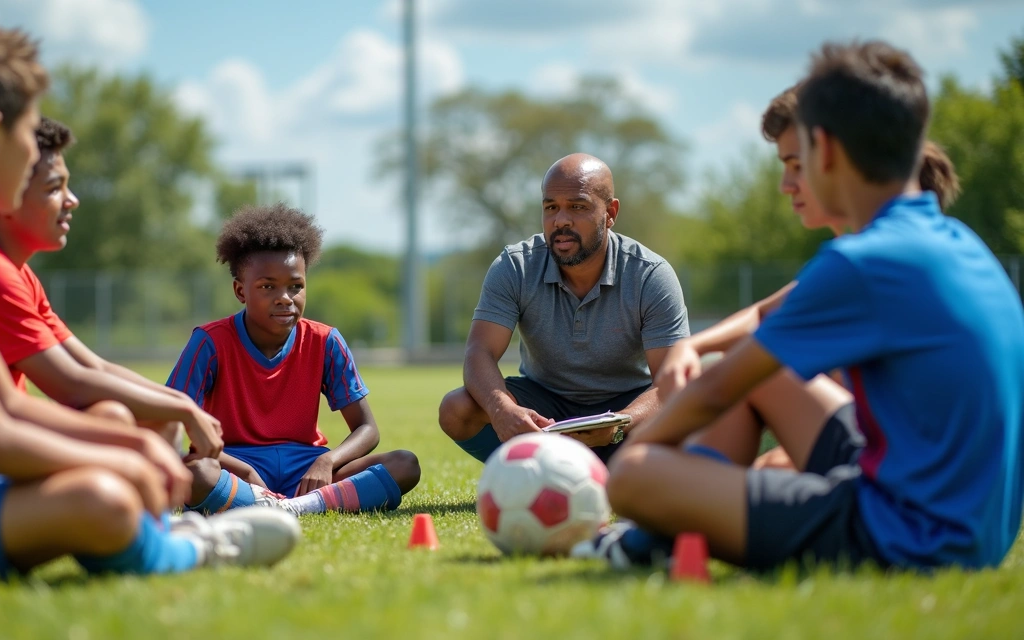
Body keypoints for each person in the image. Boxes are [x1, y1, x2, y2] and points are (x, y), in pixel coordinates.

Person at [0, 19, 298, 579]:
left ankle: (156, 530)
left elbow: (10, 407)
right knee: (103, 497)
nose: (32, 148)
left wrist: (134, 451)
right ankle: (194, 550)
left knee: (116, 458)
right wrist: (126, 458)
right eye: (26, 130)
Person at [574, 40, 1024, 572]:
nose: (794, 176)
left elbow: (718, 389)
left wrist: (641, 460)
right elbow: (758, 346)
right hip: (971, 527)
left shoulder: (864, 261)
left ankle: (649, 534)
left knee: (635, 477)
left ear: (825, 150)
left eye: (799, 157)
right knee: (765, 373)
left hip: (909, 536)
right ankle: (660, 532)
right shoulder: (958, 243)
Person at [0, 117, 278, 511]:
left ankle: (153, 520)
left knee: (132, 413)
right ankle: (150, 524)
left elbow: (92, 365)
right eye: (54, 188)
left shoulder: (14, 269)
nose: (72, 200)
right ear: (2, 196)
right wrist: (182, 409)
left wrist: (181, 406)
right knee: (128, 419)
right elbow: (70, 384)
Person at [654, 87, 964, 472]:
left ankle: (683, 510)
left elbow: (741, 363)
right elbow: (766, 312)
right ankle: (693, 514)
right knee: (767, 462)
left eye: (797, 165)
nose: (786, 184)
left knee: (753, 371)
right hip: (936, 478)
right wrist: (689, 347)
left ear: (833, 159)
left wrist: (639, 454)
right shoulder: (910, 245)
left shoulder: (866, 263)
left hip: (911, 483)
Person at [167, 204, 421, 516]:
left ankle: (289, 507)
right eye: (267, 286)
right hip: (234, 467)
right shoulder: (209, 342)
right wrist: (243, 472)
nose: (285, 297)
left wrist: (326, 461)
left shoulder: (325, 341)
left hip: (307, 471)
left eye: (295, 286)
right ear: (240, 291)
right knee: (193, 472)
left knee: (404, 464)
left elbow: (367, 429)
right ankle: (281, 503)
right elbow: (172, 421)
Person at [438, 153, 690, 464]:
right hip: (543, 410)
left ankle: (617, 469)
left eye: (578, 207)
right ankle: (527, 471)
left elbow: (671, 380)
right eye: (551, 207)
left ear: (610, 212)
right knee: (457, 409)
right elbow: (479, 352)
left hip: (624, 411)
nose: (561, 221)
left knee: (698, 416)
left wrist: (619, 425)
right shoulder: (515, 266)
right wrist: (503, 410)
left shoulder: (650, 274)